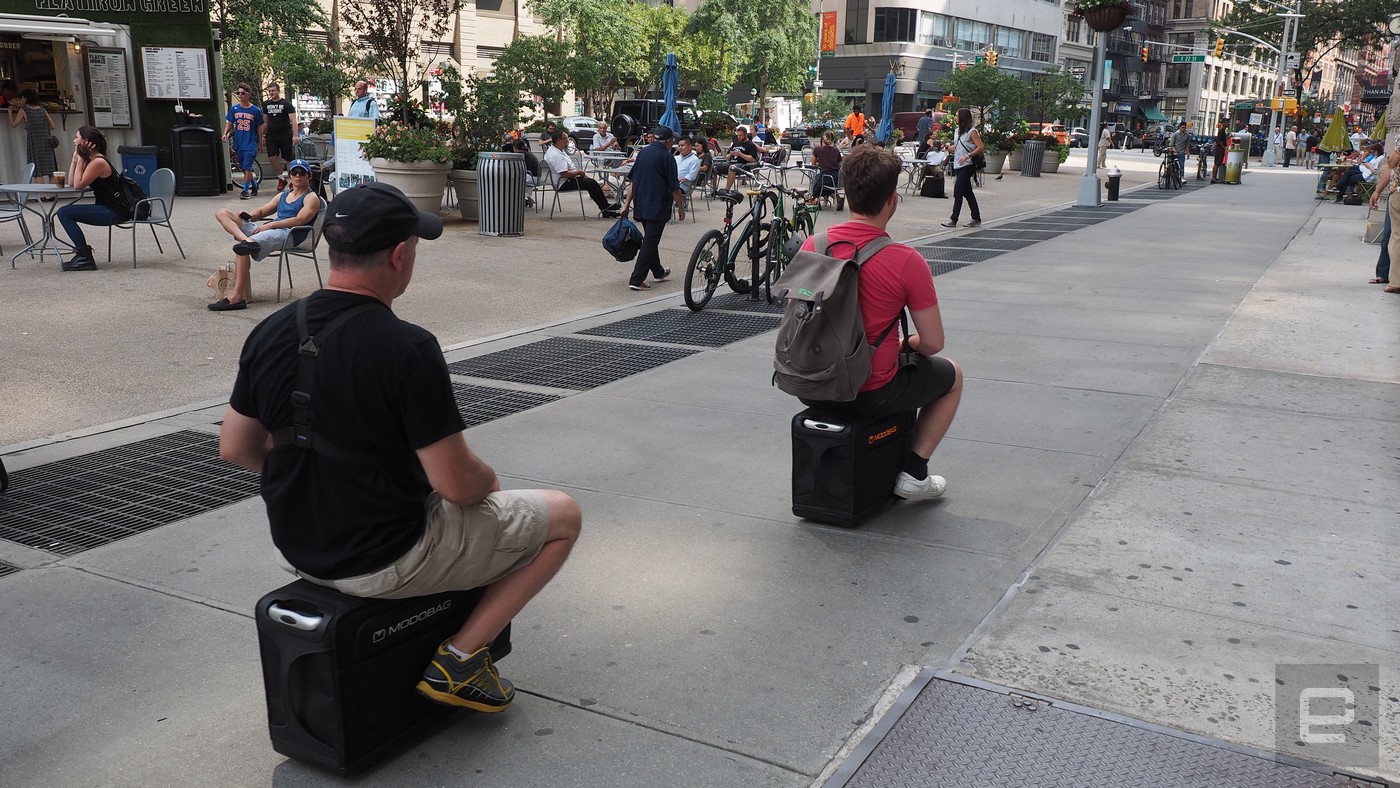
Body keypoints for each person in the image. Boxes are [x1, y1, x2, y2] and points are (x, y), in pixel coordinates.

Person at [219, 181, 582, 713]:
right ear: (399, 254)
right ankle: (460, 659)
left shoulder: (272, 329)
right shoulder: (406, 346)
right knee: (562, 517)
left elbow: (236, 447)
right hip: (385, 558)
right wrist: (490, 483)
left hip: (298, 547)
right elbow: (457, 485)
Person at [796, 145, 962, 501]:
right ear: (893, 199)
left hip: (809, 383)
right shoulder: (905, 260)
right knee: (952, 376)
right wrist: (907, 345)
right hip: (868, 390)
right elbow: (933, 343)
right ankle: (915, 474)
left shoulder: (813, 244)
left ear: (846, 192)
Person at [209, 159, 322, 311]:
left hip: (290, 234)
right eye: (294, 172)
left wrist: (270, 225)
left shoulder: (311, 198)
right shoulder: (283, 195)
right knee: (222, 212)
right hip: (271, 230)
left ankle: (237, 297)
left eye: (302, 173)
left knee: (242, 248)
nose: (297, 176)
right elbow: (262, 211)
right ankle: (247, 240)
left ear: (309, 176)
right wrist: (248, 216)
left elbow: (300, 220)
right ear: (289, 175)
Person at [617, 125, 685, 291]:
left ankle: (658, 271)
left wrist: (626, 204)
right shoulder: (667, 158)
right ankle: (637, 279)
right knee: (650, 242)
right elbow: (674, 187)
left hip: (641, 203)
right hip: (657, 206)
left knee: (650, 239)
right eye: (673, 141)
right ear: (669, 141)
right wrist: (681, 208)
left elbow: (633, 180)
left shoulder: (643, 153)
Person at [54, 126, 129, 271]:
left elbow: (78, 185)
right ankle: (83, 256)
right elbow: (71, 182)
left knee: (64, 213)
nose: (74, 140)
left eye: (77, 137)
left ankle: (84, 257)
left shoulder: (98, 162)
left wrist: (81, 159)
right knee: (64, 212)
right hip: (108, 208)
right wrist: (75, 159)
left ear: (86, 141)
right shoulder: (92, 160)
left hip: (114, 211)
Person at [542, 129, 620, 217]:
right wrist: (579, 172)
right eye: (565, 138)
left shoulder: (558, 150)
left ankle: (605, 207)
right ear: (559, 140)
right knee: (592, 184)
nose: (568, 140)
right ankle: (605, 209)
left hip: (568, 178)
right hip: (563, 182)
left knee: (591, 183)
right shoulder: (556, 155)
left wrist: (579, 174)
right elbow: (564, 174)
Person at [941, 107, 982, 228]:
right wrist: (949, 148)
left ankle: (953, 219)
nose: (955, 117)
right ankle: (976, 217)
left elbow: (980, 146)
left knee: (958, 191)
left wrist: (968, 155)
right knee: (968, 192)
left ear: (962, 118)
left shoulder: (972, 132)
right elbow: (958, 146)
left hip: (968, 164)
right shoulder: (957, 131)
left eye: (957, 115)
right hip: (958, 164)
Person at [223, 82, 265, 199]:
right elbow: (229, 123)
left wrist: (260, 143)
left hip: (251, 142)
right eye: (238, 93)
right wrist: (225, 133)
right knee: (244, 166)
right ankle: (254, 185)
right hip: (239, 142)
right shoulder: (234, 109)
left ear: (248, 94)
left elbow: (259, 128)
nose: (240, 95)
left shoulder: (255, 110)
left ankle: (245, 190)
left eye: (243, 93)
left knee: (247, 167)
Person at [8, 90, 56, 184]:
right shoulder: (42, 110)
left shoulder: (24, 111)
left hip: (34, 142)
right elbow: (52, 126)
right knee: (51, 171)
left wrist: (10, 112)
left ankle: (42, 197)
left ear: (25, 98)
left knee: (38, 172)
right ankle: (53, 196)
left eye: (22, 98)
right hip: (46, 142)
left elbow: (13, 124)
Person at [1367, 145, 1398, 285]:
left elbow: (1392, 163)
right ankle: (1384, 273)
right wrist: (1377, 191)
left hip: (1396, 195)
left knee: (1391, 236)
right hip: (1395, 193)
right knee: (1388, 235)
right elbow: (1390, 168)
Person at [262, 83, 300, 190]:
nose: (271, 93)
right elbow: (265, 122)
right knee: (271, 157)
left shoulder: (286, 104)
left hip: (285, 134)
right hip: (272, 135)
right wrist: (261, 135)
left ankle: (292, 181)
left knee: (288, 159)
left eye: (273, 91)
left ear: (278, 91)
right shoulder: (266, 105)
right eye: (269, 91)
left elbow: (293, 120)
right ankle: (281, 178)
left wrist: (295, 135)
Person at [714, 125, 761, 195]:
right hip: (731, 162)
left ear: (745, 134)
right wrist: (731, 154)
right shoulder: (735, 143)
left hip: (743, 165)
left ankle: (726, 190)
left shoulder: (750, 144)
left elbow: (753, 159)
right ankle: (714, 191)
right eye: (738, 135)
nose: (739, 137)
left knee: (732, 168)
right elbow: (726, 158)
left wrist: (740, 154)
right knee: (714, 166)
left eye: (741, 135)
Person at [812, 130, 843, 201]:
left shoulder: (818, 150)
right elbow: (839, 163)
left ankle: (816, 201)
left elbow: (813, 163)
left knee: (816, 187)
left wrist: (820, 161)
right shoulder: (836, 150)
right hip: (837, 178)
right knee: (827, 184)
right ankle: (838, 198)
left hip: (826, 177)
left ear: (823, 140)